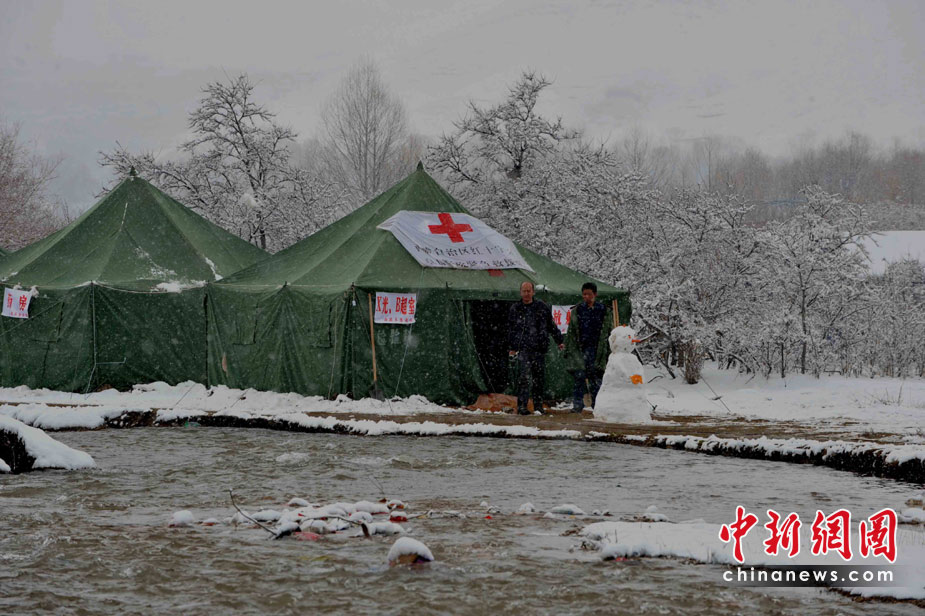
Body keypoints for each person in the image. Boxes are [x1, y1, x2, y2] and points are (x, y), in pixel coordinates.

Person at [508, 281, 564, 415]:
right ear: (520, 292)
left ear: (533, 292)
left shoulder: (541, 307)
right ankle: (522, 406)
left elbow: (551, 325)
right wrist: (512, 347)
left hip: (539, 348)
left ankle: (538, 406)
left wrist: (559, 341)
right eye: (524, 291)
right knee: (524, 378)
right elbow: (511, 329)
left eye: (529, 291)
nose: (526, 294)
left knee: (538, 379)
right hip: (523, 348)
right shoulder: (516, 309)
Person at [563, 282, 610, 413]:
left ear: (595, 294)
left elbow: (608, 330)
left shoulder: (603, 310)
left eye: (589, 294)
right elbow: (571, 331)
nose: (586, 297)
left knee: (595, 378)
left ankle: (597, 405)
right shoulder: (578, 310)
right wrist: (567, 348)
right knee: (579, 377)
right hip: (580, 349)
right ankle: (578, 405)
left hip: (597, 349)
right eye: (584, 294)